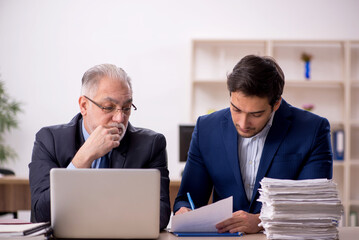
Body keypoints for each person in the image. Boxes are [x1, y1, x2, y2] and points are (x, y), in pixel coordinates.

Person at [173, 55, 333, 233]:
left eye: (255, 114)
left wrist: (261, 220)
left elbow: (315, 206)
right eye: (236, 109)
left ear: (276, 103)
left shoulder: (312, 130)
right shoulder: (206, 128)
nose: (243, 123)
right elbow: (187, 198)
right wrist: (184, 211)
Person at [29, 64, 171, 229]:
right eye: (109, 107)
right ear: (84, 106)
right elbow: (41, 214)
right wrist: (83, 158)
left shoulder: (151, 144)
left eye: (126, 108)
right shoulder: (49, 140)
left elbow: (159, 216)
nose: (119, 118)